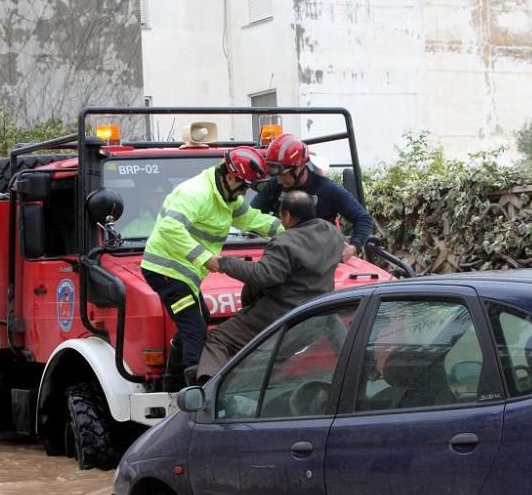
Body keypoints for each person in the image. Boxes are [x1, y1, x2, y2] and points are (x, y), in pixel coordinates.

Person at [142, 147, 283, 391]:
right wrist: (205, 257)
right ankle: (195, 392)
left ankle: (170, 383)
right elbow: (169, 228)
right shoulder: (196, 193)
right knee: (194, 327)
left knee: (200, 321)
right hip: (165, 271)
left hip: (184, 273)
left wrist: (295, 229)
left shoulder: (228, 199)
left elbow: (253, 220)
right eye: (245, 185)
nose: (246, 191)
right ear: (231, 177)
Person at [196, 190, 346, 382]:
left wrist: (224, 263)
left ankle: (206, 391)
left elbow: (263, 275)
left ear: (287, 216)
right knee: (272, 360)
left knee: (217, 339)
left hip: (279, 317)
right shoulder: (331, 232)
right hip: (315, 316)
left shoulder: (285, 242)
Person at [251, 133, 373, 263]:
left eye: (283, 175)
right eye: (277, 175)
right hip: (281, 256)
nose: (279, 181)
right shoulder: (275, 185)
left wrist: (353, 247)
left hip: (320, 260)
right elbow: (252, 215)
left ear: (299, 167)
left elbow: (363, 219)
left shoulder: (328, 189)